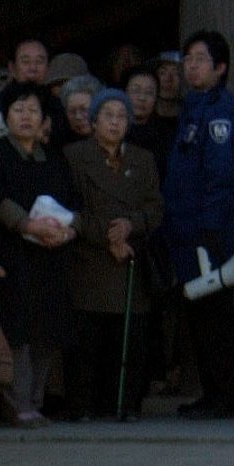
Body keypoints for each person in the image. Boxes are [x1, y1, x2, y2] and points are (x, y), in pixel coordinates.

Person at [163, 30, 234, 422]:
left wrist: (210, 229)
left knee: (214, 318)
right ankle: (213, 393)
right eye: (188, 59)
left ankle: (224, 396)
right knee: (199, 318)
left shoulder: (219, 112)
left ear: (220, 67)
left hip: (208, 234)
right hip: (187, 232)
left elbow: (221, 176)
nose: (191, 66)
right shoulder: (193, 108)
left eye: (200, 59)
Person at [0, 83, 81, 429]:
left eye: (33, 111)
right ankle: (18, 402)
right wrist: (26, 225)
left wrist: (69, 230)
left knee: (48, 331)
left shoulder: (54, 158)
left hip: (51, 255)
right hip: (13, 254)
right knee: (18, 332)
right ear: (6, 116)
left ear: (44, 119)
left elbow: (73, 201)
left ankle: (36, 400)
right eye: (19, 110)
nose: (26, 117)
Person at [63, 89, 162, 421]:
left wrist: (131, 225)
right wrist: (109, 236)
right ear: (93, 121)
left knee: (129, 340)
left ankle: (125, 405)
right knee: (87, 341)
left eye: (122, 116)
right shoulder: (73, 156)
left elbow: (155, 207)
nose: (115, 122)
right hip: (90, 257)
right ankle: (83, 406)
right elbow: (70, 208)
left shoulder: (143, 160)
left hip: (130, 258)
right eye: (108, 115)